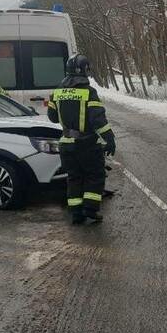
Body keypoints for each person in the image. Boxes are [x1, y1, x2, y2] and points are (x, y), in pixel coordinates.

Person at [47, 54, 116, 224]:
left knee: (74, 177)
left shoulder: (57, 92)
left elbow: (52, 117)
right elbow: (97, 119)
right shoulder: (88, 92)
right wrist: (110, 138)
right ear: (85, 70)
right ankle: (90, 209)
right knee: (95, 175)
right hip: (86, 144)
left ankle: (76, 213)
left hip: (66, 144)